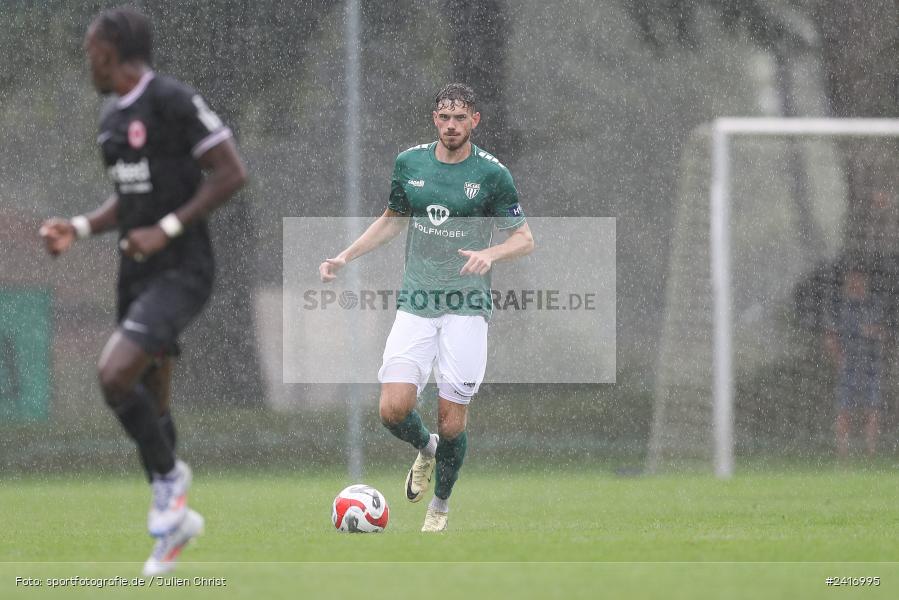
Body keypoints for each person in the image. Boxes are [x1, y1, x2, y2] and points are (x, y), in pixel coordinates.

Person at [39, 7, 246, 574]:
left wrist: (169, 229)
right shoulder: (111, 121)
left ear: (112, 51)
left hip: (182, 268)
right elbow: (131, 202)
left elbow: (231, 173)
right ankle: (175, 527)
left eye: (91, 50)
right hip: (134, 273)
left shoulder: (173, 101)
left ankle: (170, 482)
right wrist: (79, 228)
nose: (88, 60)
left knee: (112, 376)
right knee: (152, 403)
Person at [320, 83, 534, 532]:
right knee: (392, 410)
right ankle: (426, 448)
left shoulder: (493, 174)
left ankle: (439, 505)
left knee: (452, 419)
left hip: (467, 306)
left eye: (460, 118)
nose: (451, 125)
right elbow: (392, 220)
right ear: (434, 119)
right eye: (443, 117)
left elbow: (524, 238)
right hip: (417, 300)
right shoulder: (409, 163)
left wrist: (490, 255)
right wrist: (345, 255)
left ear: (475, 120)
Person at [823, 262, 886, 458]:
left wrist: (873, 332)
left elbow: (884, 333)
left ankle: (871, 453)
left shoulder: (874, 305)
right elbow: (830, 336)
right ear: (847, 280)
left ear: (865, 281)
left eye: (860, 278)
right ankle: (842, 455)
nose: (856, 282)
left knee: (872, 409)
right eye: (853, 277)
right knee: (844, 410)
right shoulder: (839, 307)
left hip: (871, 366)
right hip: (848, 366)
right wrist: (839, 359)